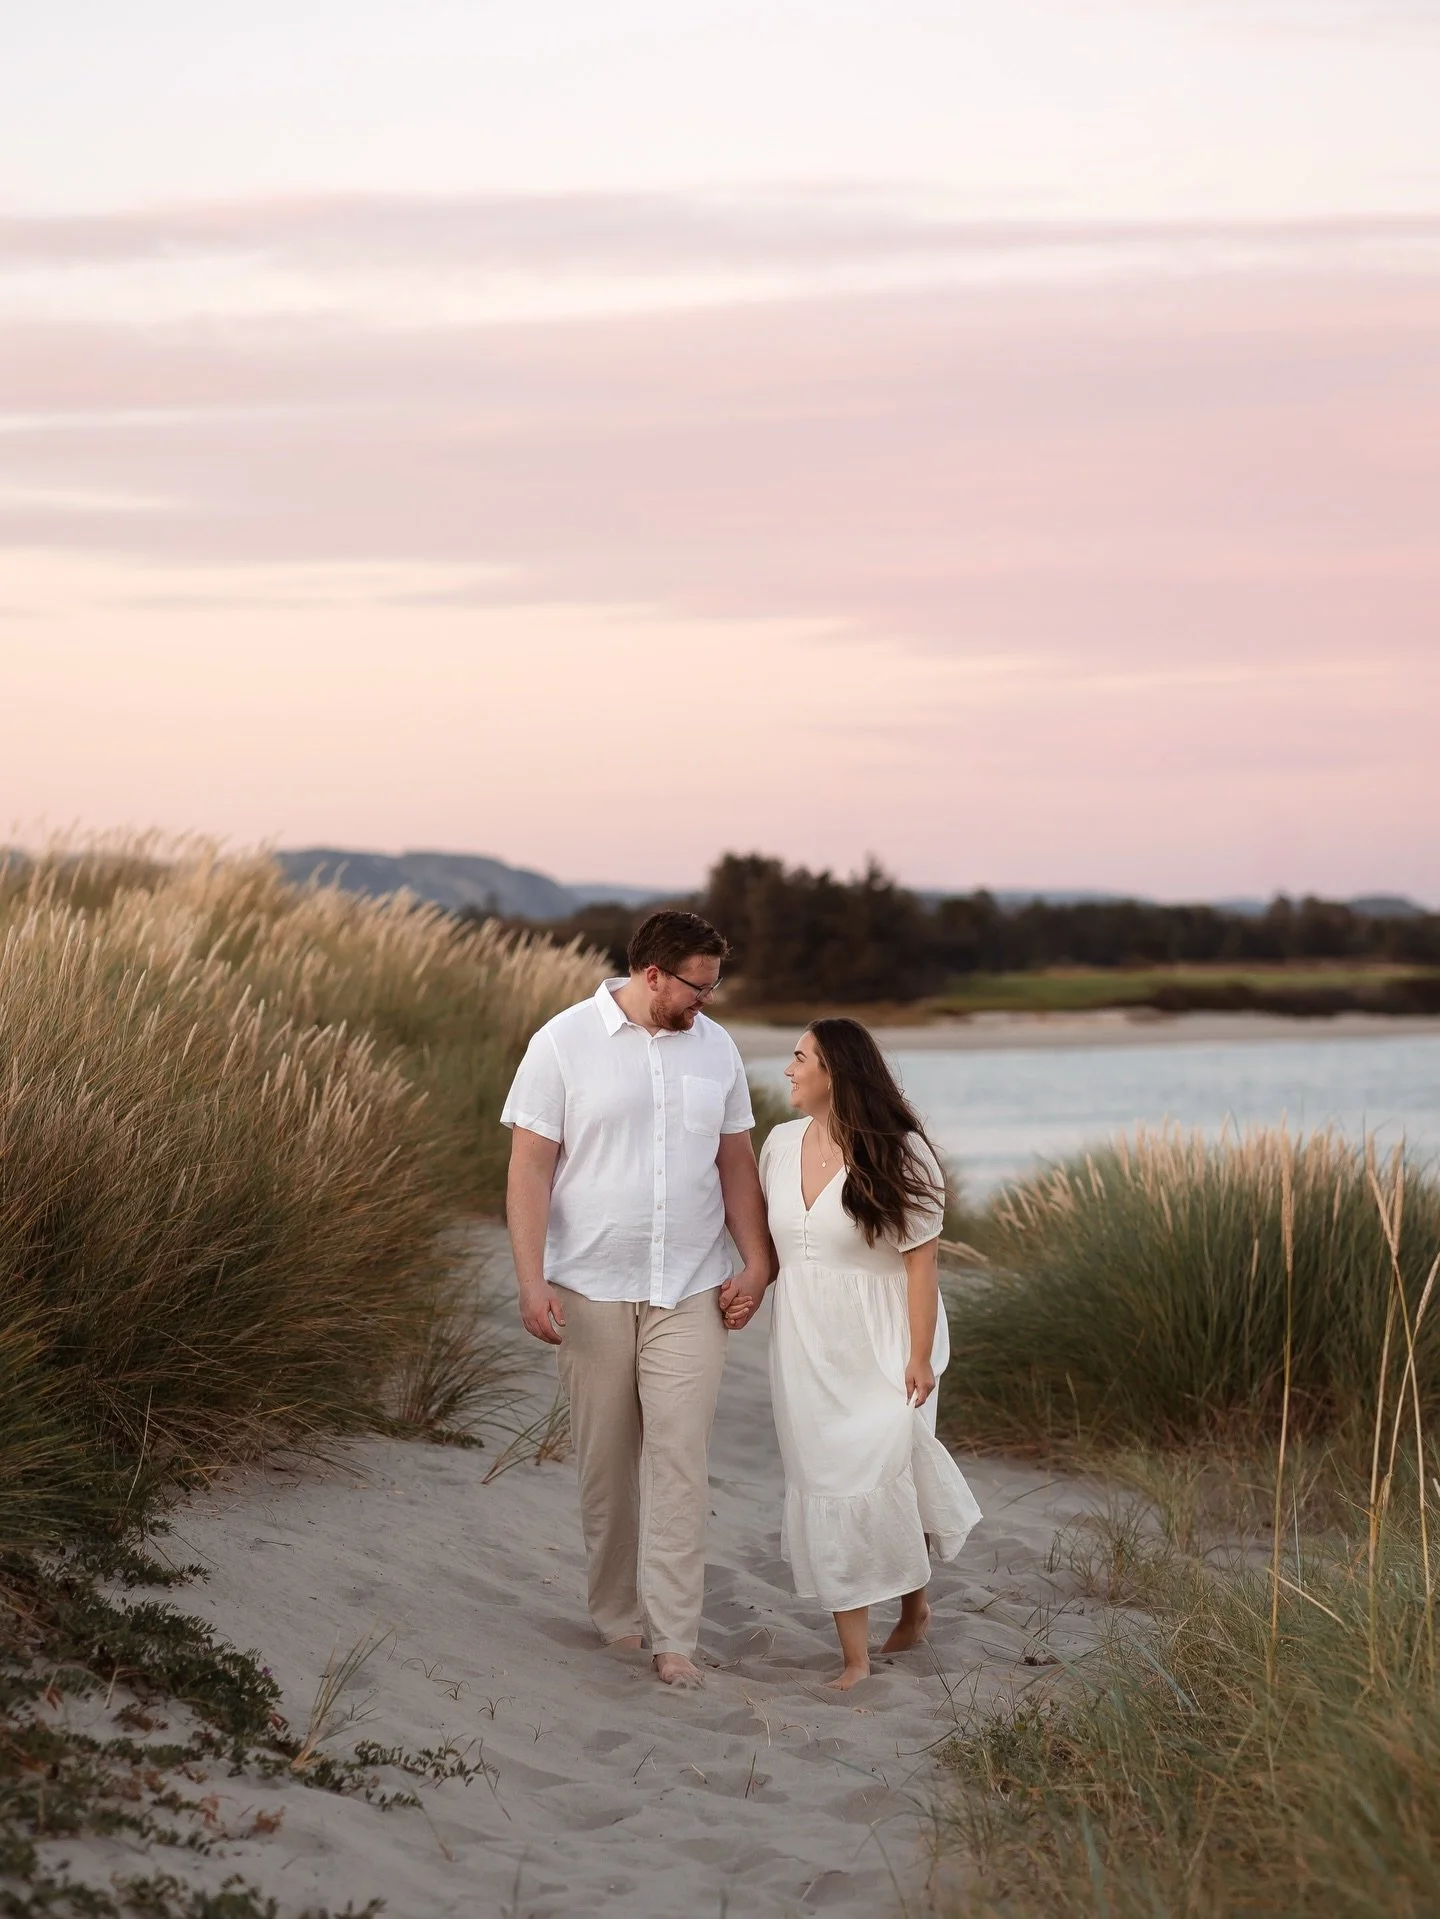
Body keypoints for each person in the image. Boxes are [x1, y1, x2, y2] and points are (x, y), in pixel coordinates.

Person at [501, 909, 771, 1688]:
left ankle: (675, 1635)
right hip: (590, 1284)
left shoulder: (716, 1048)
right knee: (608, 1462)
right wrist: (530, 1278)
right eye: (696, 985)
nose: (707, 1000)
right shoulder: (562, 1042)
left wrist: (758, 1262)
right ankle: (618, 1615)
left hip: (691, 1283)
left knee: (681, 1457)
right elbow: (529, 1169)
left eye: (714, 985)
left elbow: (735, 1164)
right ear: (651, 973)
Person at [759, 1017, 982, 1689]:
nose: (789, 1069)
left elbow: (921, 1264)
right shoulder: (779, 1145)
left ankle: (904, 1616)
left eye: (800, 1057)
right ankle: (863, 1648)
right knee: (827, 1478)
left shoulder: (899, 1153)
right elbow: (774, 1248)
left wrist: (920, 1356)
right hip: (805, 1342)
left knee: (887, 1468)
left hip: (886, 1339)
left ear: (835, 1072)